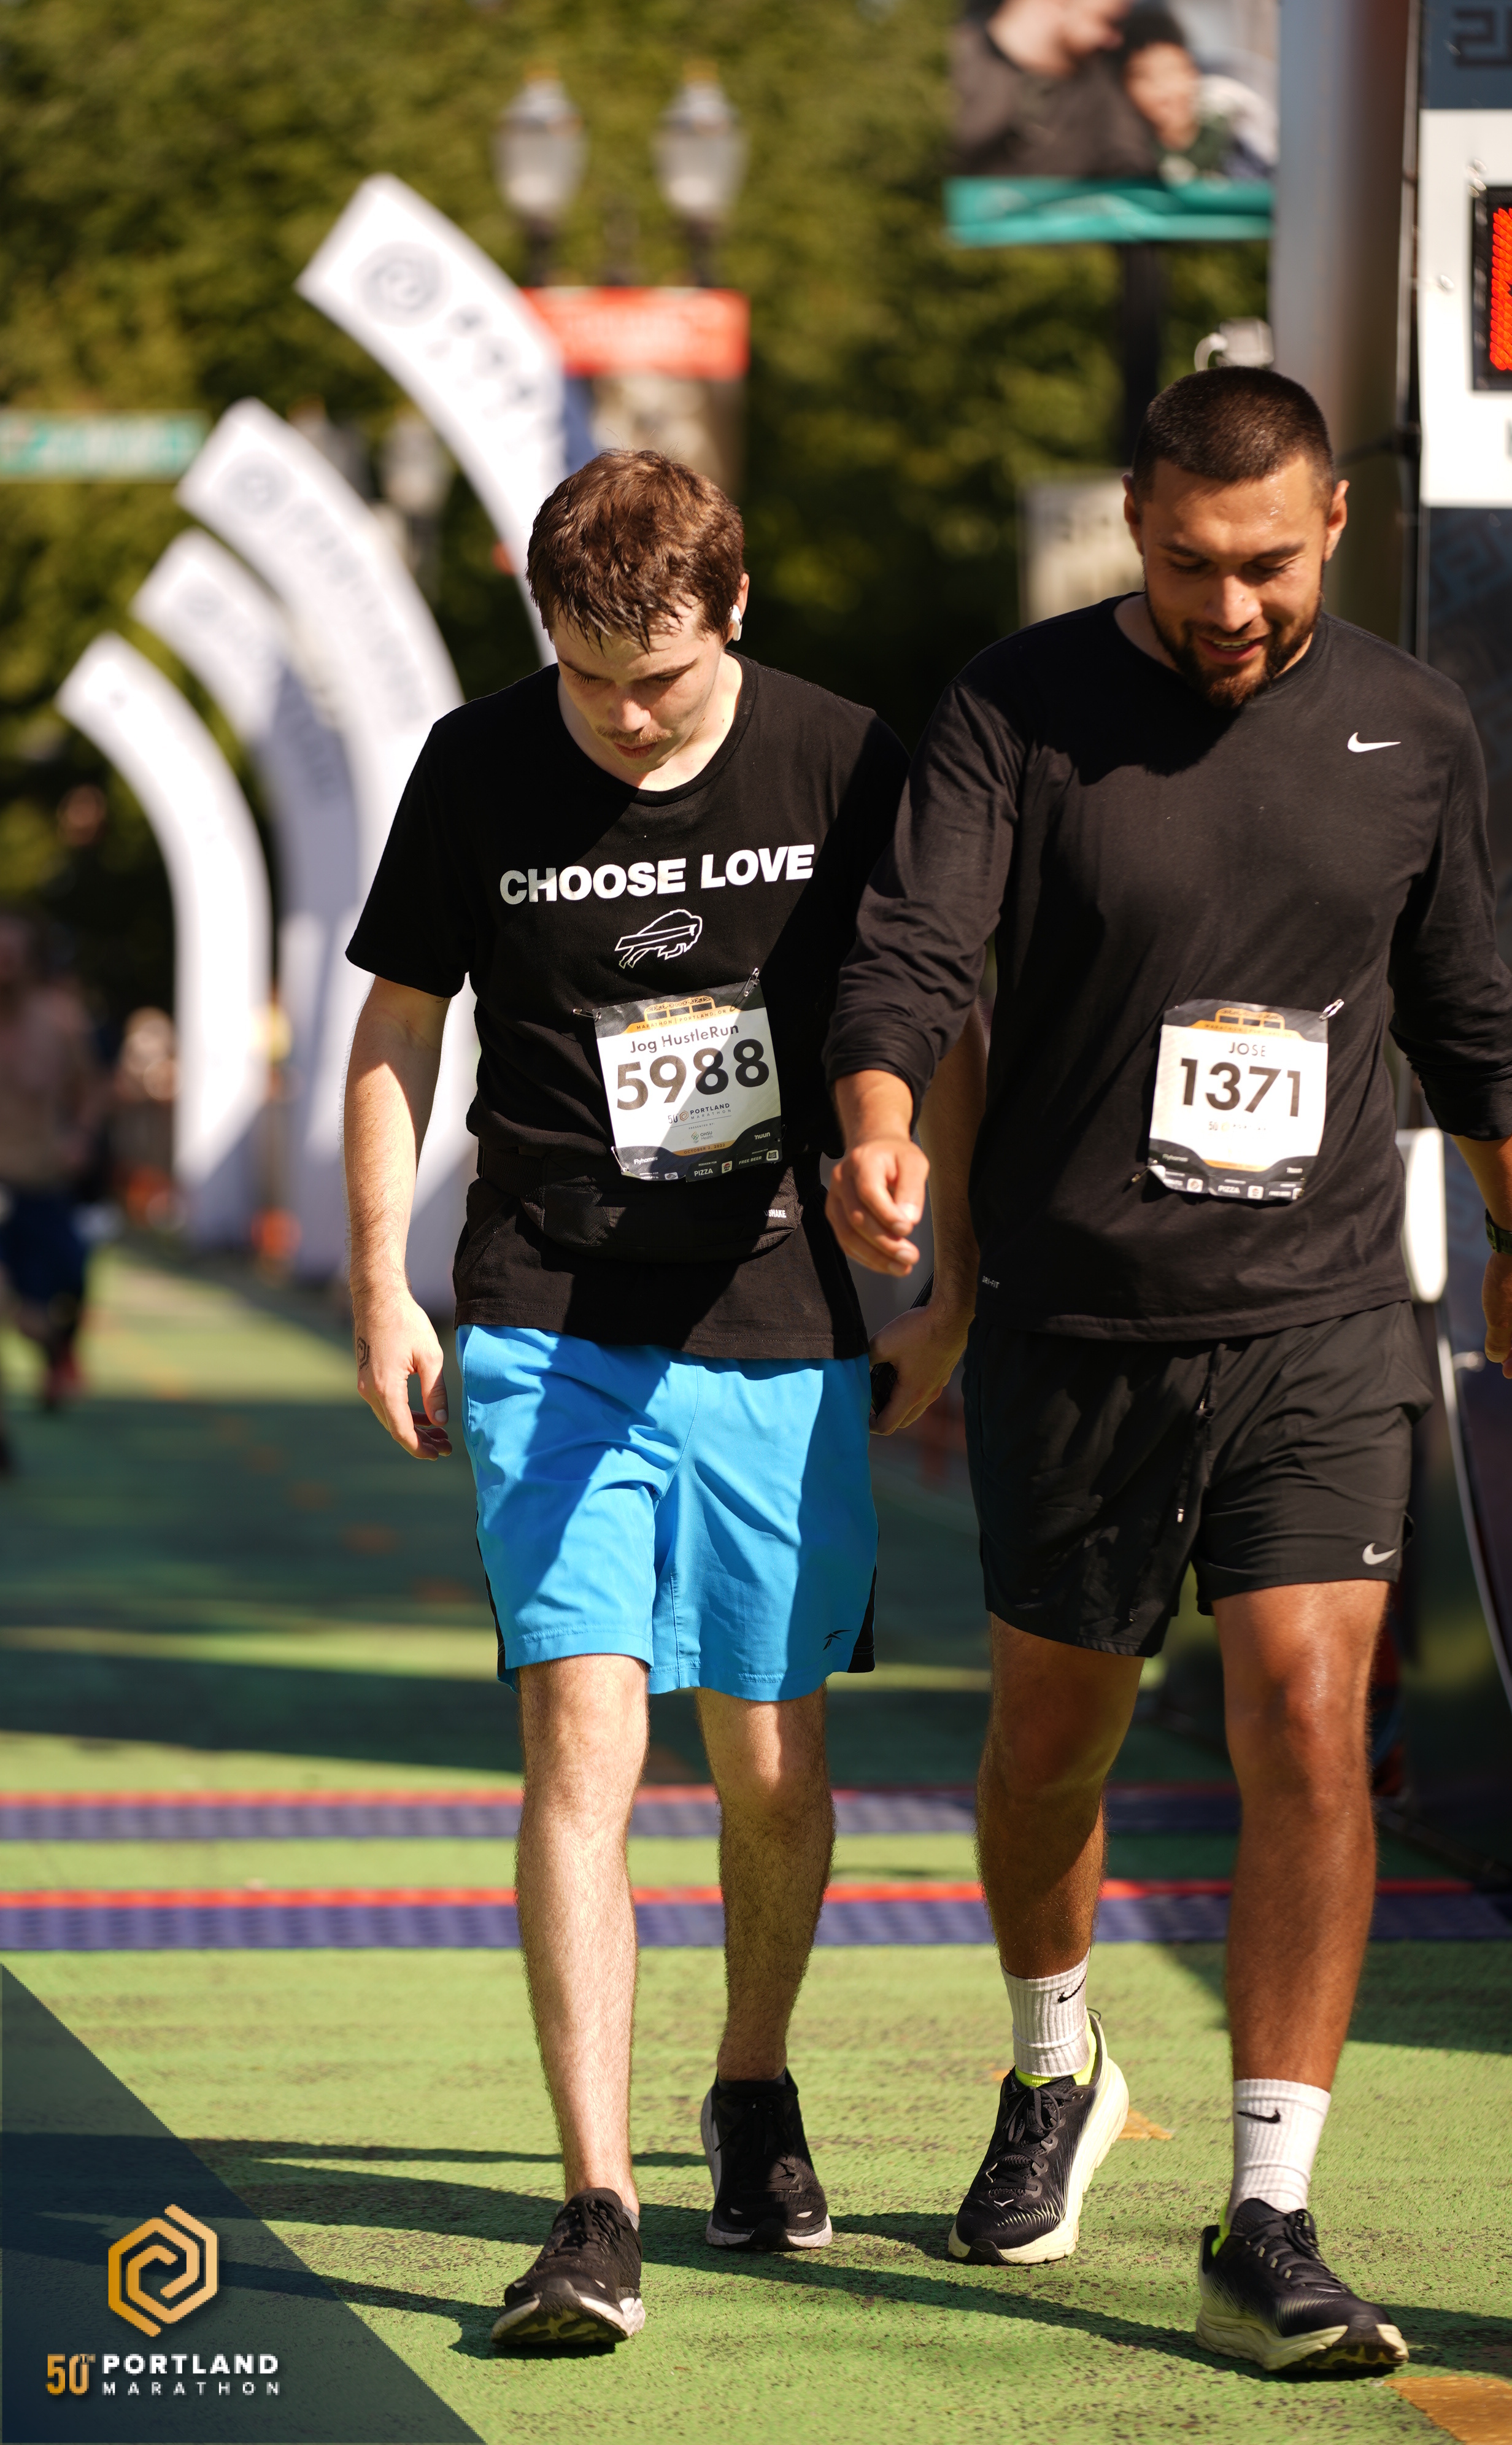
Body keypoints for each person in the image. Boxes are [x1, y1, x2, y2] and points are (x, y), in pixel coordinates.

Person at [825, 369, 1512, 2375]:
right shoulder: (1015, 709)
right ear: (1134, 529)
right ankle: (1054, 2062)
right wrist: (880, 1128)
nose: (1225, 605)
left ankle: (1270, 2212)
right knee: (1050, 1744)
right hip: (1076, 1322)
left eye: (1263, 565)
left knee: (1309, 1720)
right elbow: (912, 953)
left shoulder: (1409, 727)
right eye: (1181, 564)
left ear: (1333, 525)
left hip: (1319, 1315)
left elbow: (1463, 1003)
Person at [342, 450, 983, 2350]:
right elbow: (398, 1022)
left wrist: (945, 1276)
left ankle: (752, 2079)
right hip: (551, 1309)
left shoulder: (844, 760)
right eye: (590, 677)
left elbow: (938, 1009)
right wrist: (379, 1279)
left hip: (781, 1305)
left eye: (665, 680)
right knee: (584, 1736)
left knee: (772, 1758)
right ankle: (594, 2202)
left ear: (737, 609)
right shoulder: (475, 767)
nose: (627, 719)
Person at [0, 908, 104, 1463]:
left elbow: (90, 1090)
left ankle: (54, 1352)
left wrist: (80, 1137)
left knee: (37, 1317)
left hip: (40, 1184)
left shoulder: (60, 1020)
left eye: (11, 956)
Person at [951, 0, 1157, 180]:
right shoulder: (952, 65)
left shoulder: (1102, 87)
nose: (1116, 41)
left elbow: (1133, 168)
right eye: (1108, 22)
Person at [1117, 8, 1276, 185]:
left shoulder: (1235, 127)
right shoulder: (1127, 152)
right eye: (1146, 77)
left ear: (1192, 70)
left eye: (1172, 70)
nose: (1165, 90)